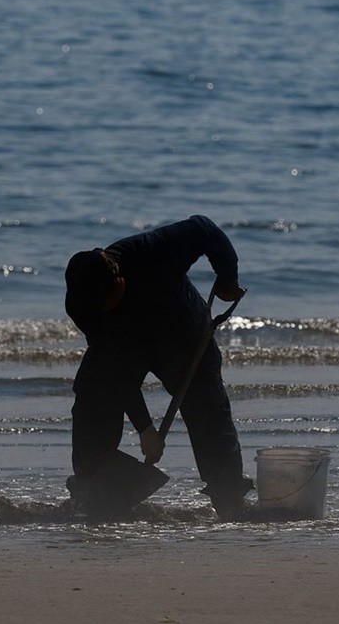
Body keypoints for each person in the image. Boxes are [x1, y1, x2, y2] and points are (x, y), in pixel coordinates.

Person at [64, 215, 253, 519]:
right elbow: (116, 373)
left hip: (181, 334)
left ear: (118, 275)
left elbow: (203, 228)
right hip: (126, 346)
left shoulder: (150, 252)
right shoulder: (81, 307)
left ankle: (229, 496)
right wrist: (146, 429)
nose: (116, 299)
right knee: (92, 393)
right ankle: (94, 485)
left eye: (116, 291)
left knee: (206, 409)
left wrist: (227, 279)